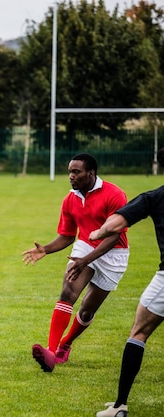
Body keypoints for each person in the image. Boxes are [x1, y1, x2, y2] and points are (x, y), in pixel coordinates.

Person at [21, 153, 129, 372]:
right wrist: (46, 250)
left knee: (87, 311)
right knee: (68, 293)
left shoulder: (114, 194)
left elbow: (113, 236)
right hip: (84, 246)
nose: (71, 176)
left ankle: (66, 344)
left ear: (91, 173)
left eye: (76, 172)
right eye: (70, 171)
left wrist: (85, 261)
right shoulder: (70, 199)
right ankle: (51, 352)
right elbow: (68, 235)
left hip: (114, 254)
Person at [91, 148, 164, 417]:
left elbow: (114, 225)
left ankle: (119, 406)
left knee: (139, 332)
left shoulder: (154, 197)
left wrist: (97, 231)